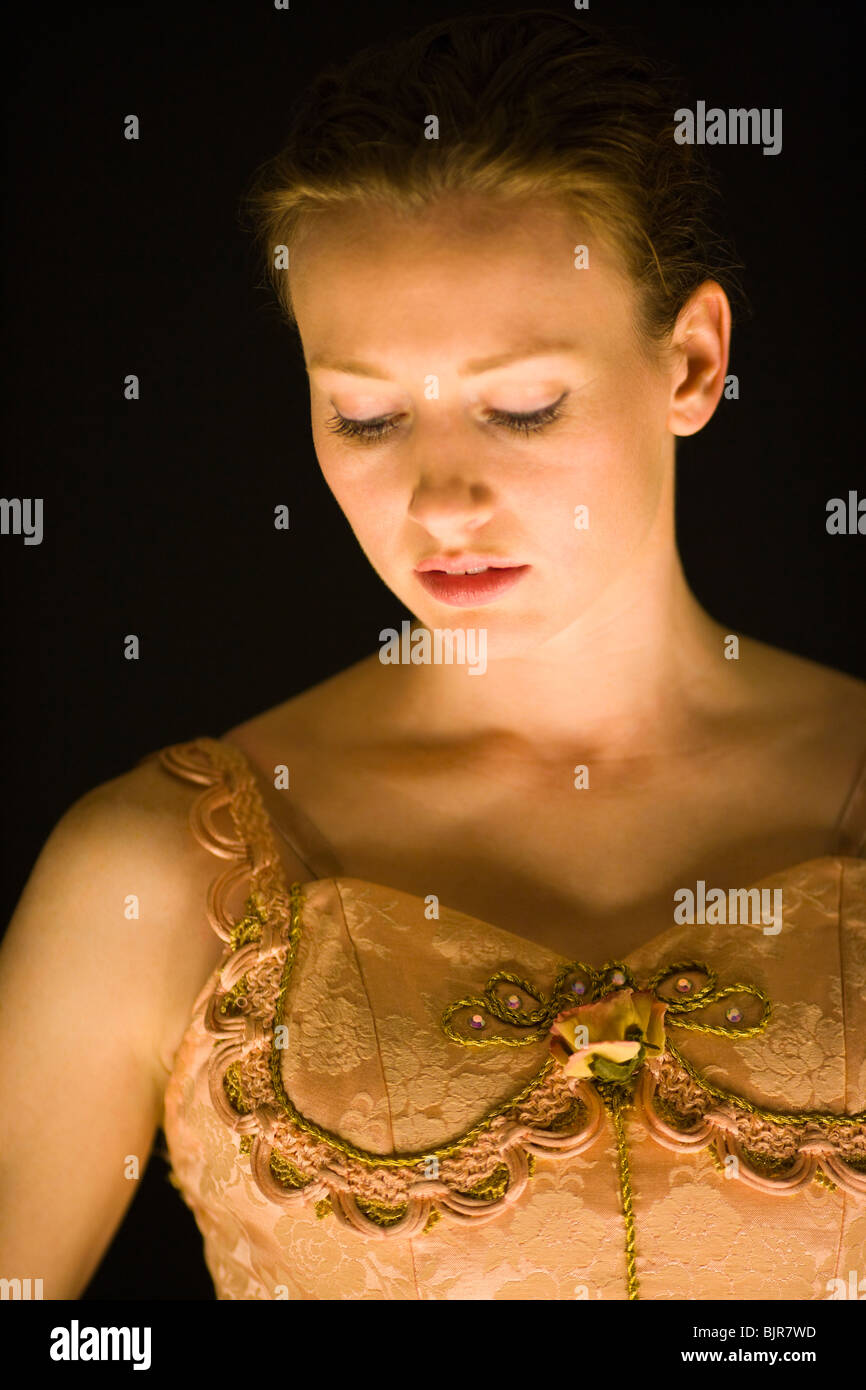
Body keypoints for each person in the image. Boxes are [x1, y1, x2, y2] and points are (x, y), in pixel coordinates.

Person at [2, 9, 865, 1302]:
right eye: (365, 413)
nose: (439, 500)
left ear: (690, 361)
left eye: (521, 405)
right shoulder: (149, 872)